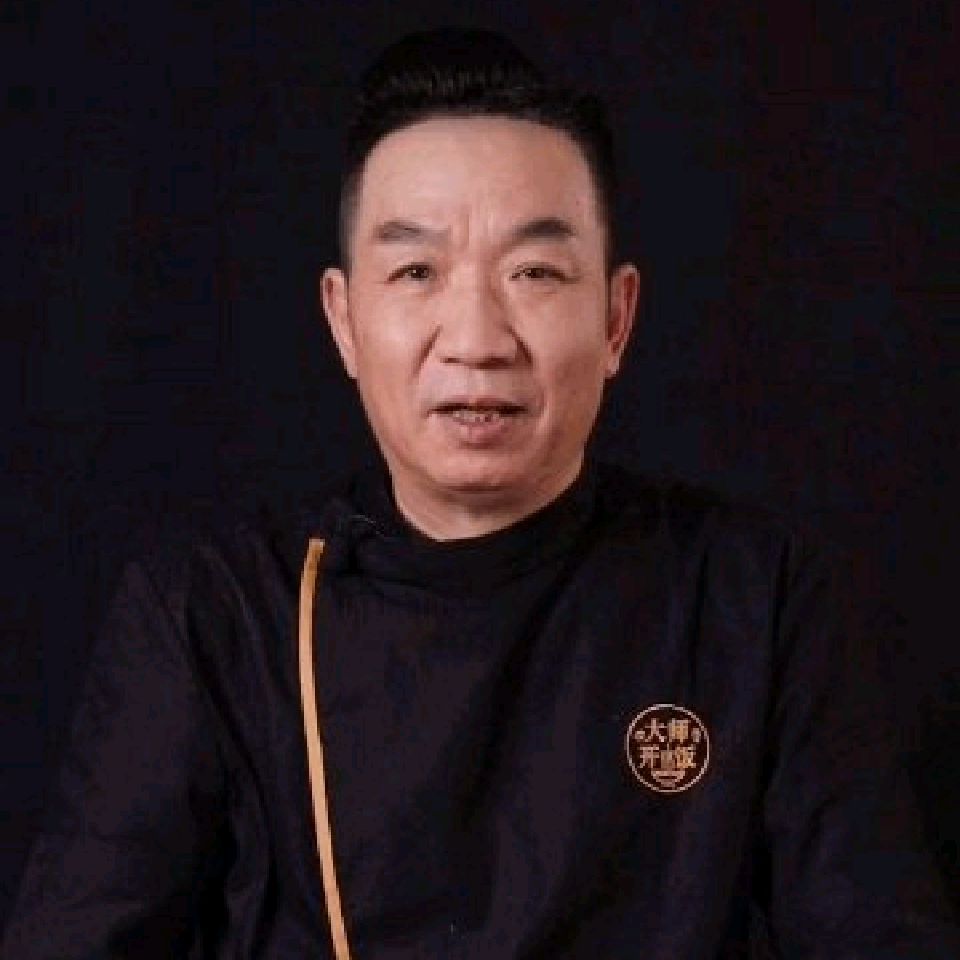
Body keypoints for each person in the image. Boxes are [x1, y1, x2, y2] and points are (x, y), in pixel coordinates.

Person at [3, 27, 958, 960]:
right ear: (344, 319)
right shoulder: (213, 613)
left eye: (534, 272)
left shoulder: (755, 598)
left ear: (617, 317)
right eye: (416, 271)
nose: (476, 338)